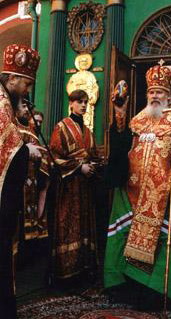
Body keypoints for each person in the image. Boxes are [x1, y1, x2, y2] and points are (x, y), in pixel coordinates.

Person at [104, 62, 171, 309]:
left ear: (169, 96)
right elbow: (121, 146)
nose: (155, 96)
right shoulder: (136, 121)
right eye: (152, 92)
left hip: (162, 195)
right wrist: (119, 114)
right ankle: (128, 290)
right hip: (133, 192)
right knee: (127, 242)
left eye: (160, 92)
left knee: (159, 245)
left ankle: (156, 294)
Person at [0, 44, 40, 318]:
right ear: (12, 78)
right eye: (26, 84)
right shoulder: (1, 103)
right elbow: (6, 145)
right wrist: (28, 150)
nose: (27, 91)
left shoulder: (8, 103)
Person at [48, 89, 100, 284]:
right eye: (79, 102)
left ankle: (83, 270)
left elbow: (93, 155)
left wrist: (94, 165)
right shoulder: (61, 127)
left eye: (86, 102)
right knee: (68, 224)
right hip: (69, 186)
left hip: (85, 187)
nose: (84, 105)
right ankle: (66, 273)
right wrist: (79, 167)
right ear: (71, 104)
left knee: (85, 225)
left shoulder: (88, 132)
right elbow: (54, 156)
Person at [16, 100, 49, 240]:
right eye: (23, 106)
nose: (39, 124)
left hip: (34, 185)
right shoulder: (14, 129)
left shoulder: (34, 136)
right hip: (19, 185)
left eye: (41, 122)